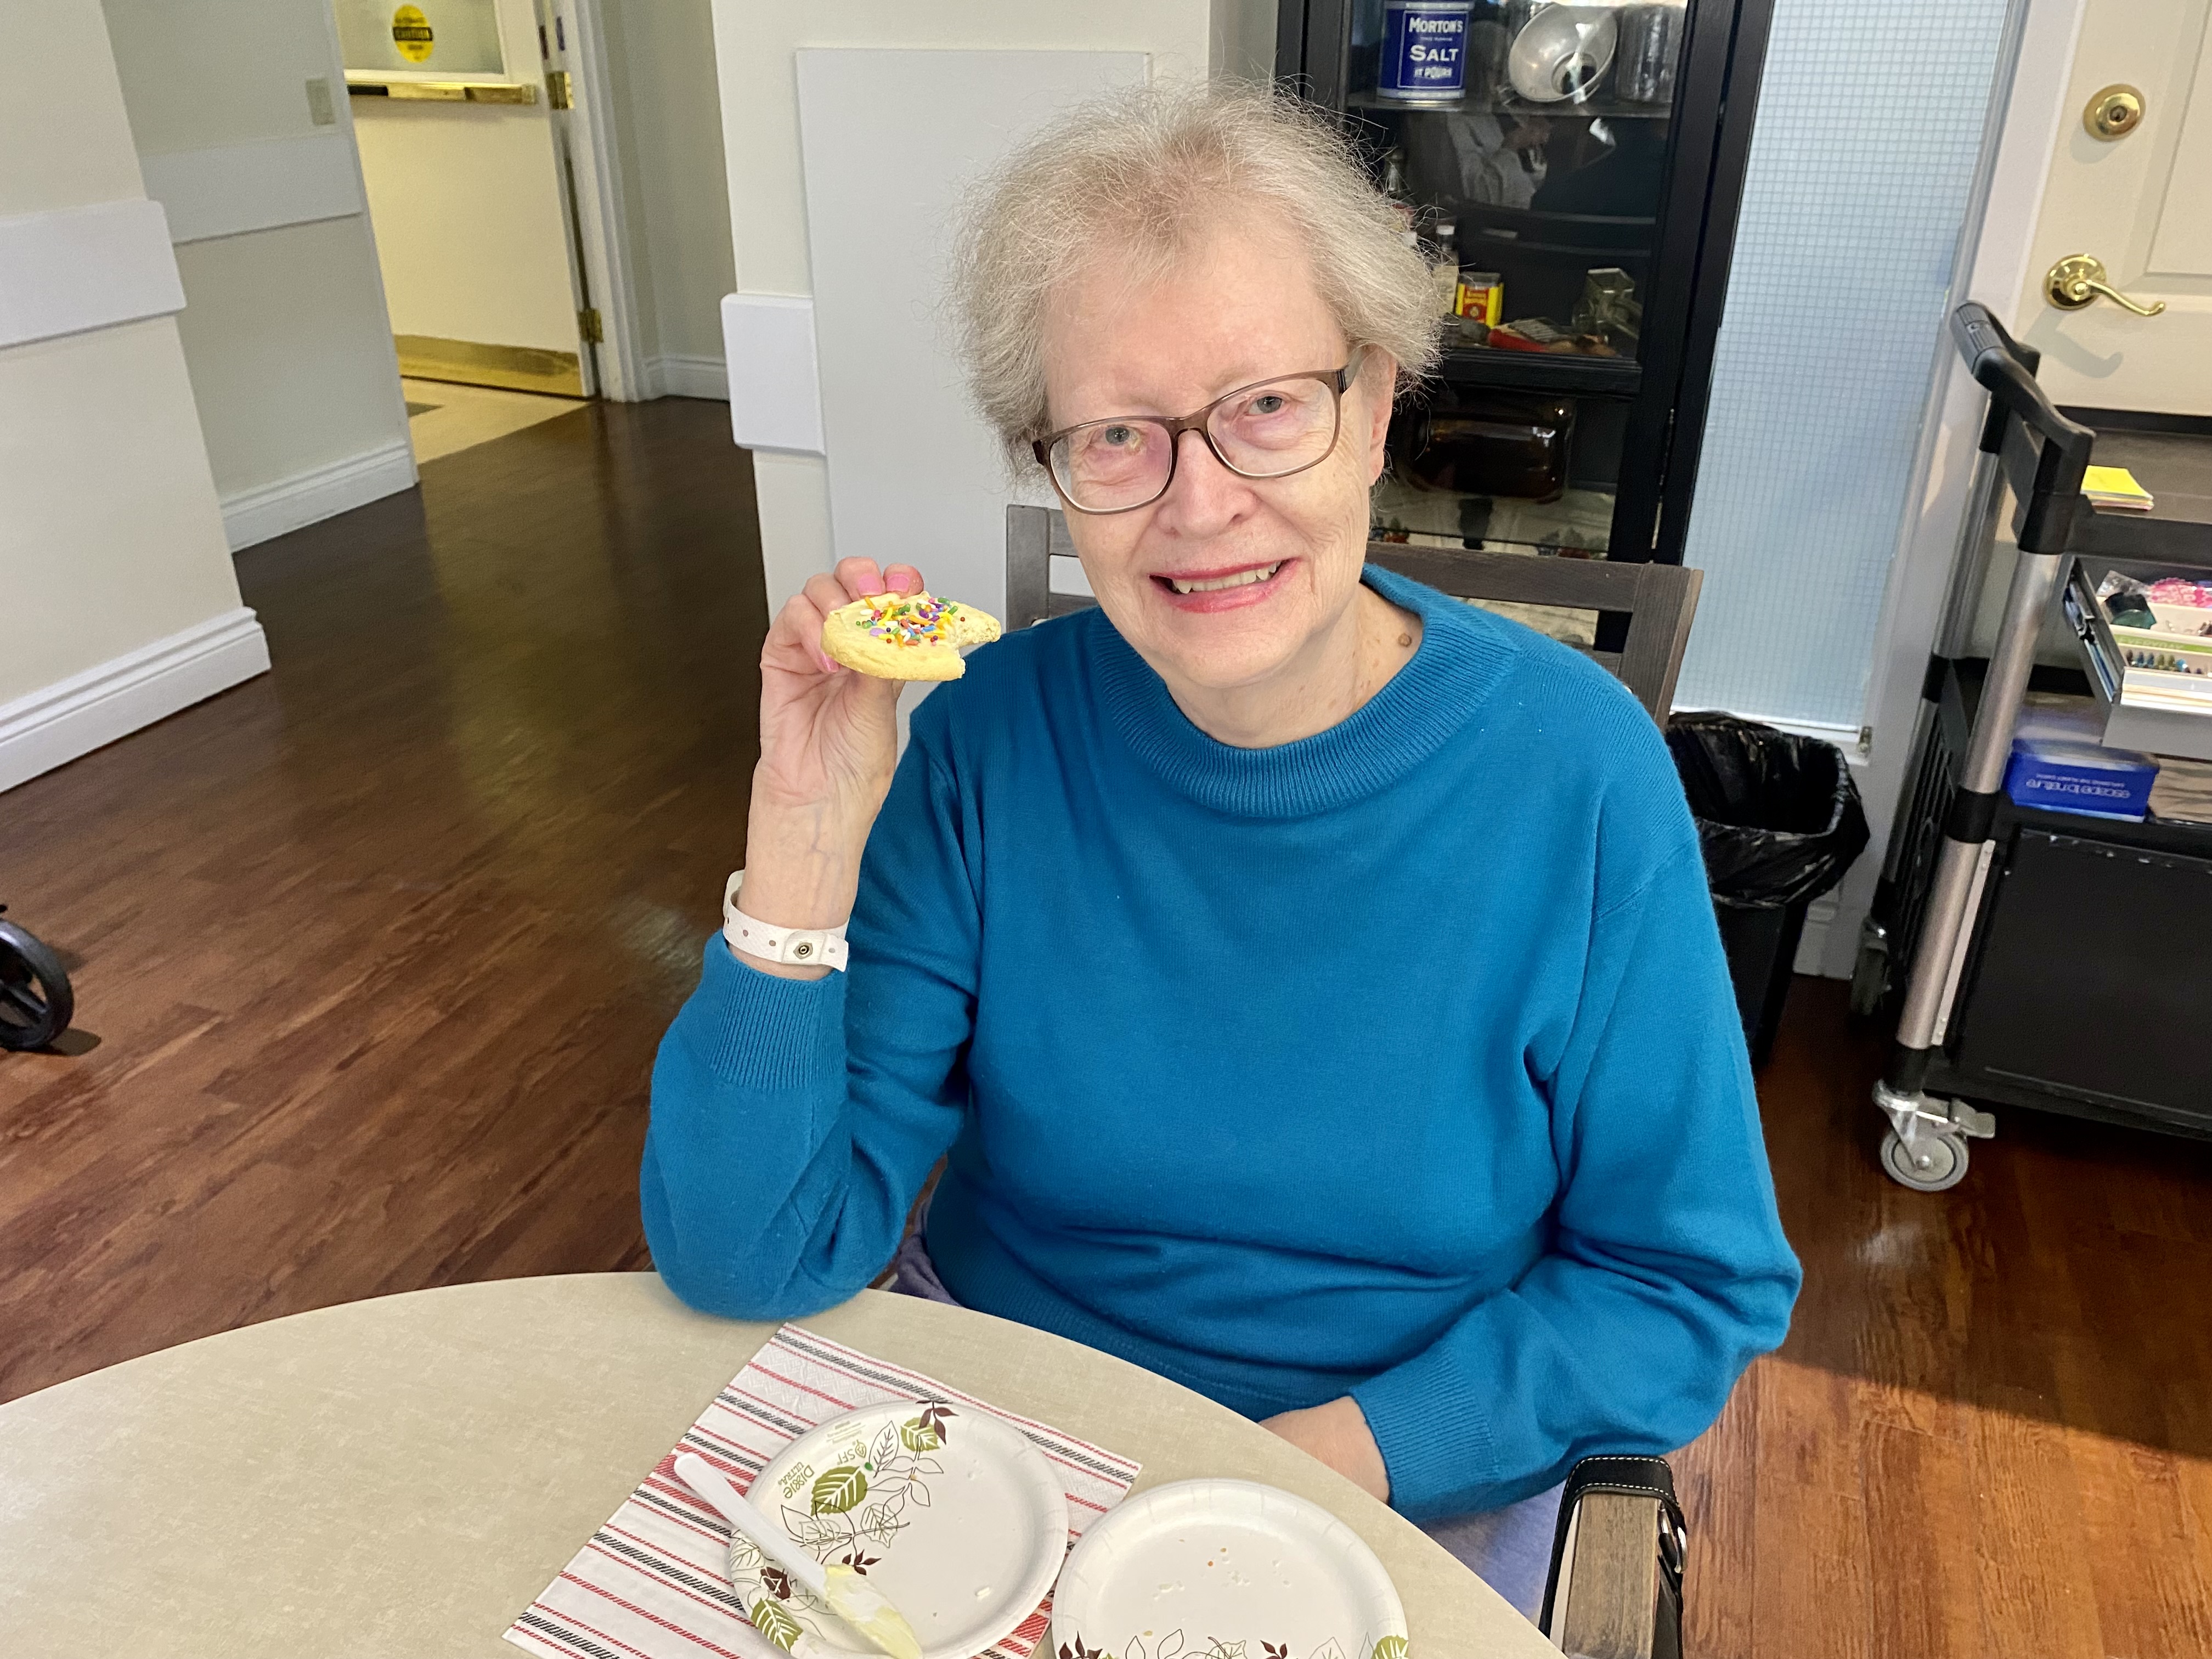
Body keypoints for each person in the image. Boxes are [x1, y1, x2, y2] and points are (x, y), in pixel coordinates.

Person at [642, 82, 1799, 1617]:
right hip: (1000, 1435)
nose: (1202, 505)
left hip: (1386, 1473)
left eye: (1267, 406)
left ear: (1377, 406)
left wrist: (1321, 1459)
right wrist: (800, 834)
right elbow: (749, 1256)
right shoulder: (990, 735)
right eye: (1119, 435)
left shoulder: (1577, 773)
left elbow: (1688, 1282)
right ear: (1055, 466)